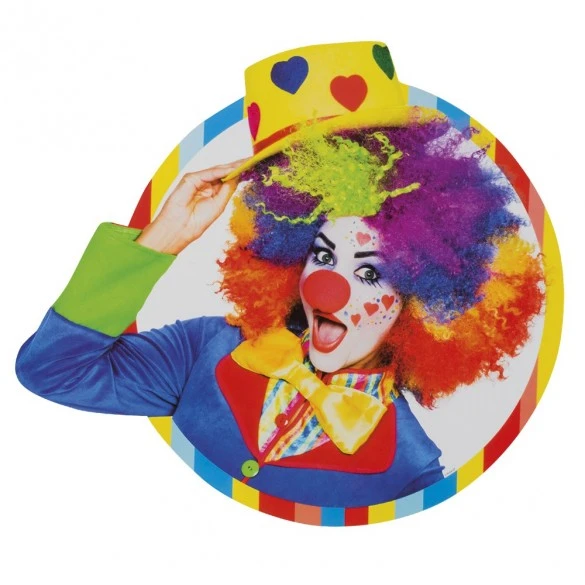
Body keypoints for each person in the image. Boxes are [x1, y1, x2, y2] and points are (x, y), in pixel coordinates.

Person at [15, 41, 545, 510]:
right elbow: (50, 370)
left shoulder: (412, 471)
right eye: (323, 255)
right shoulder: (205, 348)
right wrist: (166, 237)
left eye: (368, 271)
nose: (327, 286)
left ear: (422, 299)